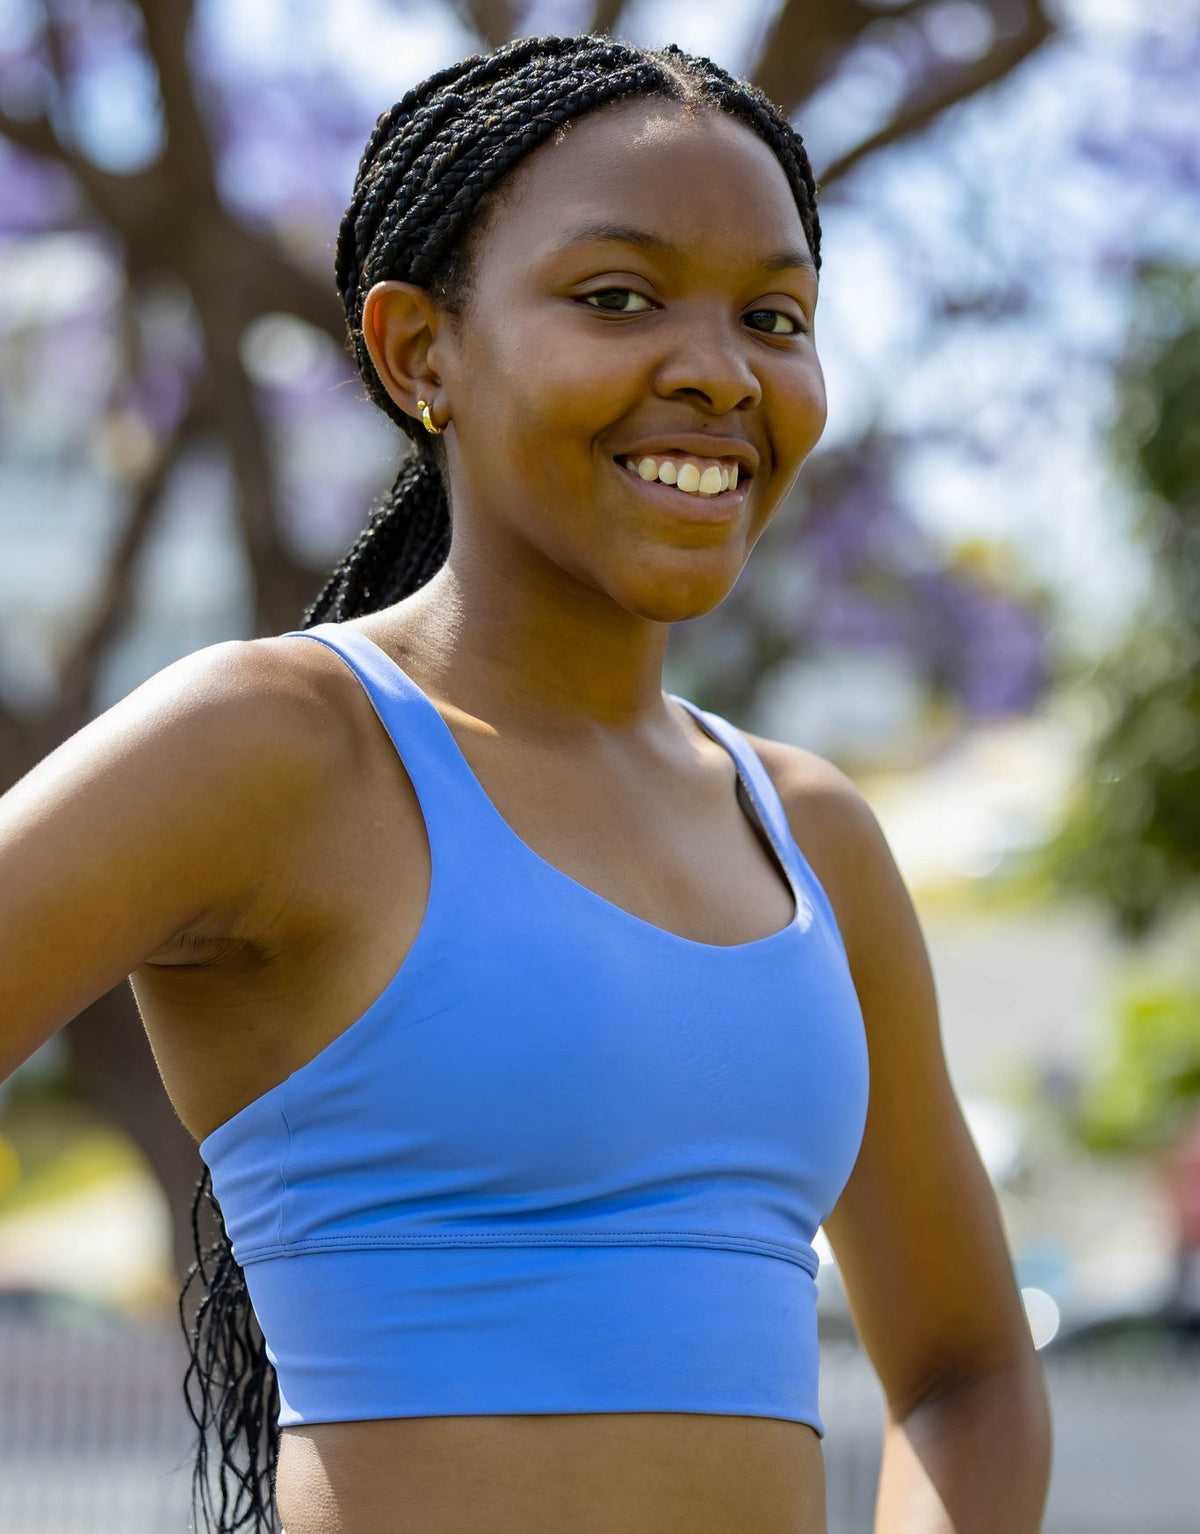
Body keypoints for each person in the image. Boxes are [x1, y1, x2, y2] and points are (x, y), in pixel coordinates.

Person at [0, 31, 1051, 1534]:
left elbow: (969, 1373)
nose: (718, 370)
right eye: (617, 298)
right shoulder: (276, 747)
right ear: (419, 351)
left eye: (774, 316)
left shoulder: (811, 835)